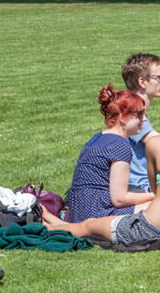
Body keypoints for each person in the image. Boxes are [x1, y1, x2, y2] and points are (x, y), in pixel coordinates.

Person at [46, 92, 160, 245]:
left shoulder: (155, 144)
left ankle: (49, 223)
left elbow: (157, 190)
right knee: (89, 224)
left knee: (87, 227)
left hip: (148, 229)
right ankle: (50, 222)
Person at [64, 86, 155, 222]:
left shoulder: (98, 137)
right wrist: (155, 195)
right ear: (123, 118)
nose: (144, 120)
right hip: (97, 214)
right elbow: (119, 199)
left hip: (79, 211)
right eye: (139, 115)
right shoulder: (119, 146)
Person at [122, 52, 160, 193]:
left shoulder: (134, 109)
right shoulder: (132, 114)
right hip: (139, 188)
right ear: (142, 82)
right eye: (159, 77)